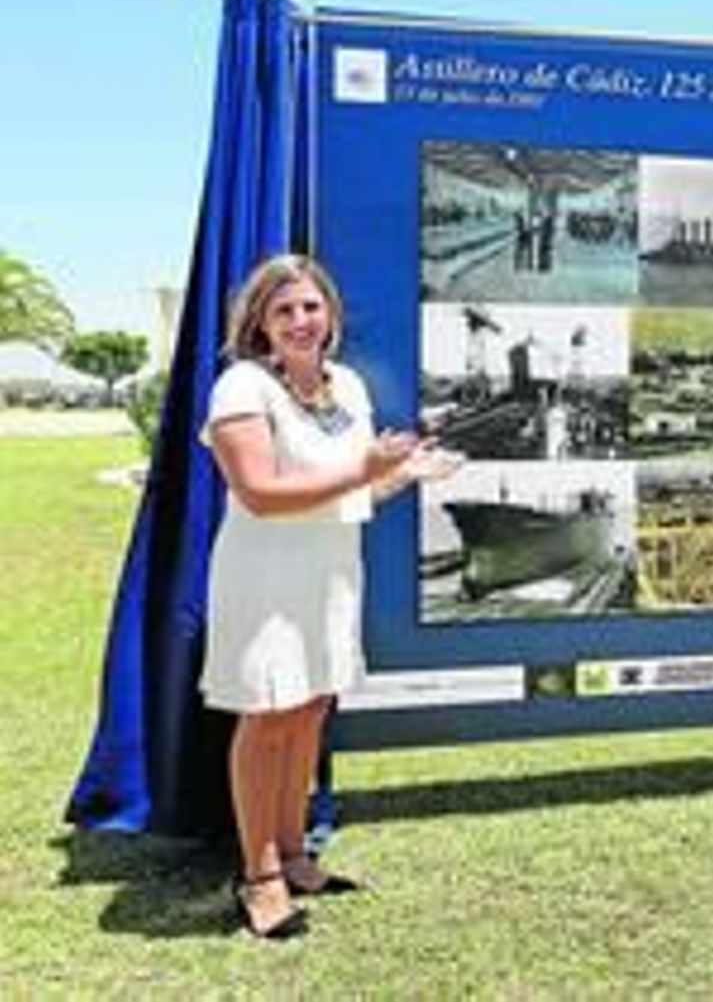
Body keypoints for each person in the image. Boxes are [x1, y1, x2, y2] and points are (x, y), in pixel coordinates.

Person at [202, 254, 460, 938]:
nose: (299, 320)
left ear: (331, 314)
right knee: (269, 714)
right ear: (258, 321)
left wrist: (404, 474)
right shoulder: (241, 386)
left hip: (330, 573)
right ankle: (258, 876)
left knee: (311, 706)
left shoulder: (346, 384)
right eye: (283, 309)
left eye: (310, 306)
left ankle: (293, 853)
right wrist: (363, 465)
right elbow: (259, 492)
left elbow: (355, 491)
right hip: (265, 578)